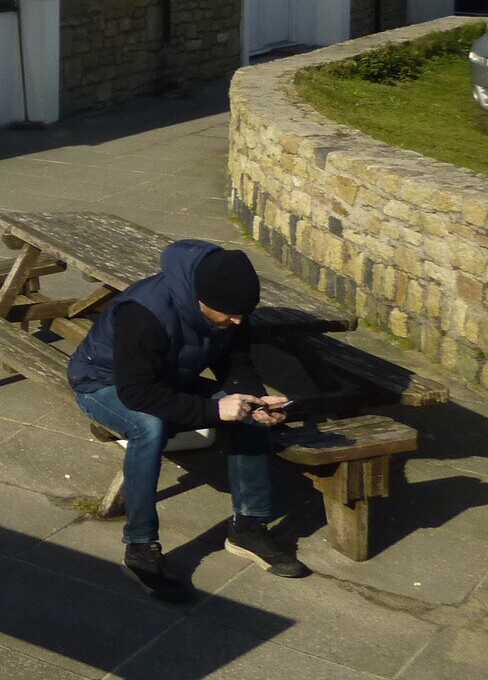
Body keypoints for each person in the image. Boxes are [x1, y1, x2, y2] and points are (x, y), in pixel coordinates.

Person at [67, 238, 311, 595]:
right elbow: (137, 393)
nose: (238, 320)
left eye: (243, 313)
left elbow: (235, 363)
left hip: (164, 378)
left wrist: (255, 400)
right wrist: (215, 409)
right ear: (200, 299)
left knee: (245, 412)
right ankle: (140, 547)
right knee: (148, 427)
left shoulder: (230, 306)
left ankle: (248, 527)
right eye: (229, 314)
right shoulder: (143, 313)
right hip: (103, 382)